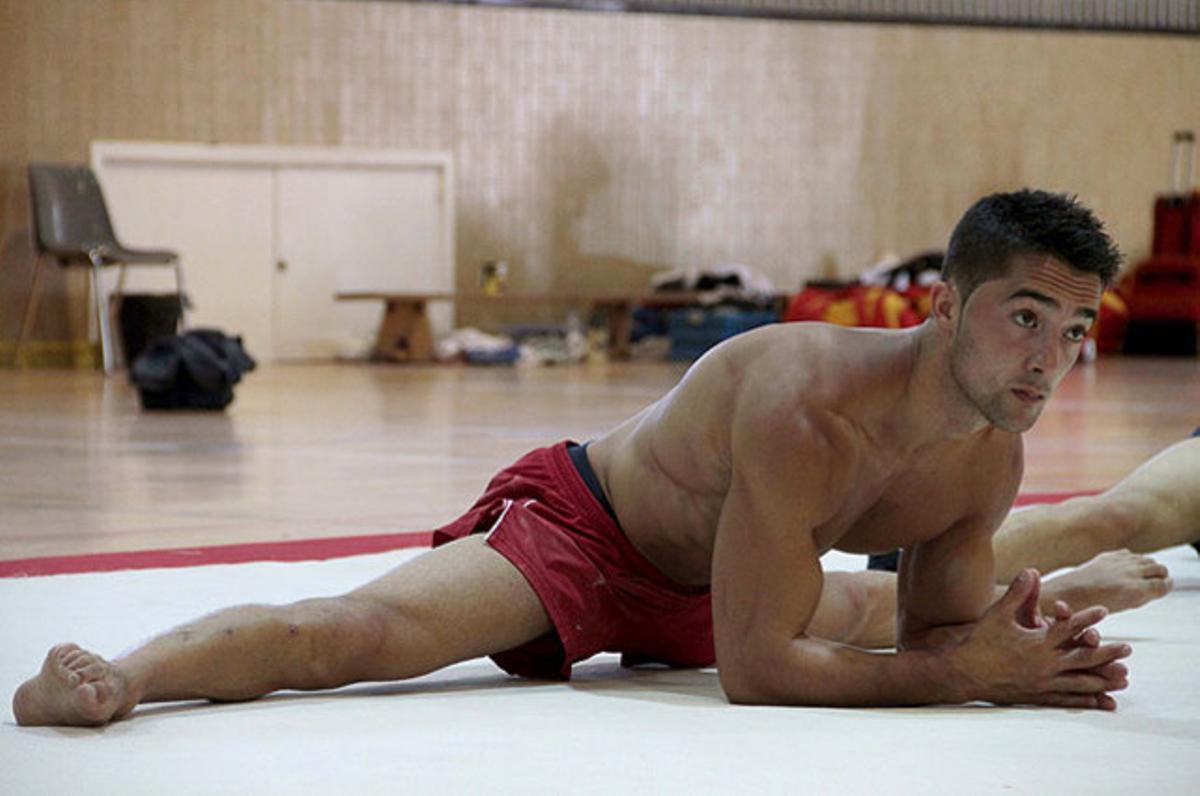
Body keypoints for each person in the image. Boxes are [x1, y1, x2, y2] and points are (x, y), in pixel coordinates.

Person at [14, 189, 1136, 727]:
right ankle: (123, 677)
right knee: (355, 635)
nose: (1050, 358)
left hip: (730, 576)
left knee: (866, 608)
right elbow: (758, 672)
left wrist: (1003, 653)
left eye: (1074, 328)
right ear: (943, 305)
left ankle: (1074, 570)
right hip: (590, 535)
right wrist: (967, 671)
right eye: (1024, 317)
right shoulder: (802, 402)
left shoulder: (989, 457)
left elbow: (934, 639)